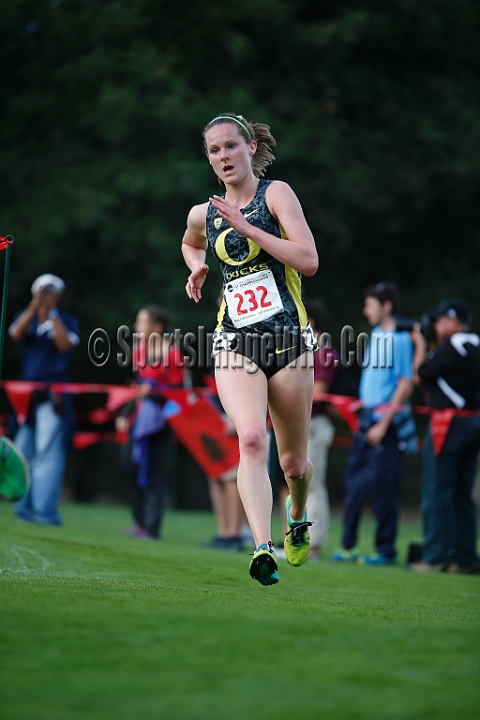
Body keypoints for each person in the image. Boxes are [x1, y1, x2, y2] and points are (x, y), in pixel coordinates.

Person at [181, 112, 318, 585]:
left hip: (289, 340)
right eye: (214, 151)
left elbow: (309, 260)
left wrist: (250, 227)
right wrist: (196, 266)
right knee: (252, 439)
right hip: (235, 341)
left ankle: (296, 515)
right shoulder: (204, 212)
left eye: (231, 147)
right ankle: (263, 547)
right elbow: (190, 241)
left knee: (294, 463)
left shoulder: (276, 194)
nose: (223, 157)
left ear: (250, 148)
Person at [332, 282, 417, 565]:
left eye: (371, 305)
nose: (366, 310)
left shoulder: (400, 339)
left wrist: (383, 424)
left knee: (384, 488)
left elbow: (405, 384)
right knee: (353, 482)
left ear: (387, 306)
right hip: (366, 421)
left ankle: (385, 551)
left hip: (386, 425)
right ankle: (348, 546)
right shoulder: (375, 335)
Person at [410, 299, 480, 573]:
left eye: (440, 321)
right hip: (474, 422)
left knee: (438, 491)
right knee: (463, 494)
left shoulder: (453, 345)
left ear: (451, 321)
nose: (436, 326)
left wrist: (419, 344)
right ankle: (464, 558)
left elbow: (421, 373)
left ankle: (436, 556)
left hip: (450, 425)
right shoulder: (475, 343)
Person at [9, 274, 80, 525]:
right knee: (22, 451)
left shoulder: (66, 321)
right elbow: (15, 333)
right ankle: (22, 509)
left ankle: (43, 511)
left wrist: (51, 314)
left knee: (47, 453)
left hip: (53, 395)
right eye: (41, 291)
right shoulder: (26, 318)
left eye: (50, 292)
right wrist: (34, 307)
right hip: (25, 396)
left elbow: (64, 345)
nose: (45, 296)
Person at [116, 305, 184, 540]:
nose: (136, 326)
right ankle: (139, 521)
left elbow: (178, 391)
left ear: (158, 327)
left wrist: (153, 392)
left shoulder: (173, 353)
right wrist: (124, 414)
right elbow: (137, 386)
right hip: (139, 417)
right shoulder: (139, 349)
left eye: (141, 321)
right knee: (129, 466)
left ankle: (151, 528)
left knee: (155, 472)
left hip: (161, 420)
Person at [304, 300, 339, 560]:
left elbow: (320, 392)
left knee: (314, 485)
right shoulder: (305, 351)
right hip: (304, 424)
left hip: (315, 425)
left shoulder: (324, 352)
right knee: (303, 484)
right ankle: (301, 540)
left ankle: (313, 545)